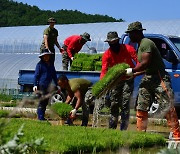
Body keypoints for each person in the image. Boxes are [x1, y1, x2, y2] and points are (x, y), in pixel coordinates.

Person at [125, 21, 180, 138]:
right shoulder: (140, 45)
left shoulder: (146, 43)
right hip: (148, 77)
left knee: (167, 107)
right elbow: (146, 68)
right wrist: (134, 74)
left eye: (130, 33)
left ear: (137, 33)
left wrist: (132, 70)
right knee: (141, 105)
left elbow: (145, 63)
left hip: (159, 78)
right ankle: (140, 135)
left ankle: (177, 135)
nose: (129, 36)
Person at [100, 31, 139, 130]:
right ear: (108, 43)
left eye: (115, 42)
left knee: (125, 103)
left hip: (128, 79)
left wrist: (134, 72)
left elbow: (139, 62)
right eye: (111, 43)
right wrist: (103, 85)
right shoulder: (107, 54)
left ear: (118, 41)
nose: (113, 45)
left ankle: (123, 128)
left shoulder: (128, 49)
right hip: (116, 80)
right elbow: (104, 70)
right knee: (114, 103)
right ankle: (112, 127)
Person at [33, 49, 58, 120]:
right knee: (41, 101)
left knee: (46, 101)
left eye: (47, 56)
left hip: (48, 85)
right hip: (41, 85)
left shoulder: (51, 65)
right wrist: (35, 85)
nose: (46, 57)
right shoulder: (39, 65)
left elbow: (54, 75)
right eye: (45, 56)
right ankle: (40, 117)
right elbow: (36, 76)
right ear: (42, 57)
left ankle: (42, 116)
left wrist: (57, 84)